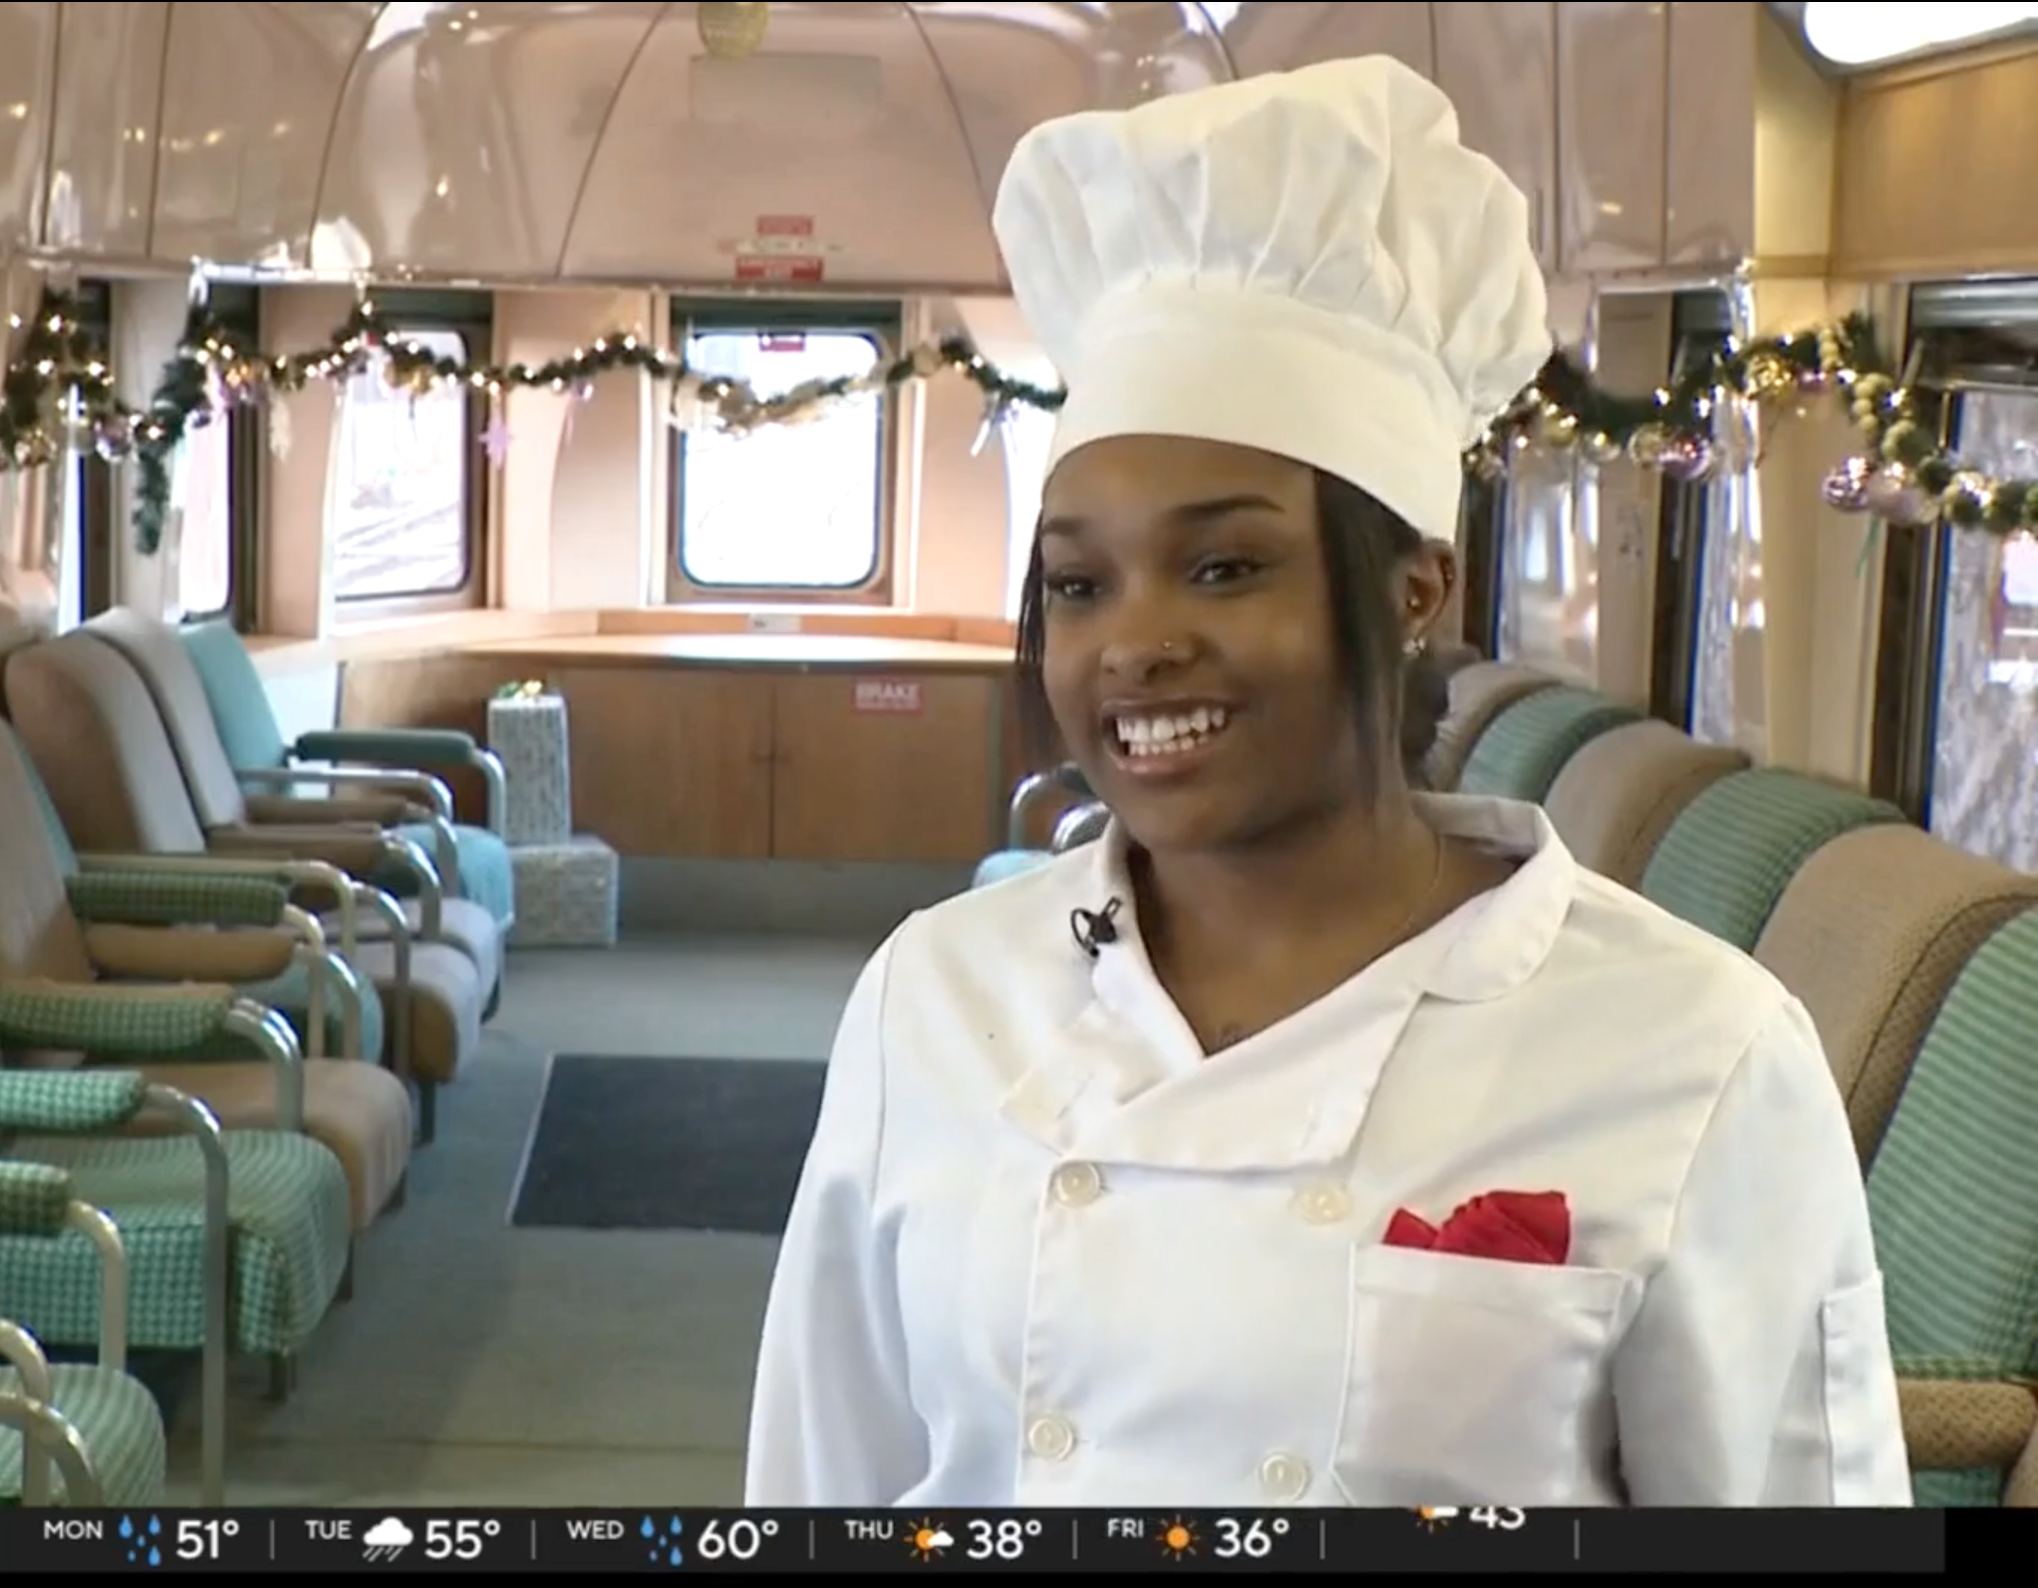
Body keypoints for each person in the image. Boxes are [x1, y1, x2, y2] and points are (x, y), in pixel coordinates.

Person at [743, 54, 1910, 1510]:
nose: (1137, 646)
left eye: (1226, 566)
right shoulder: (939, 992)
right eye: (1080, 585)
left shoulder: (1697, 1052)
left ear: (1417, 588)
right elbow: (820, 1471)